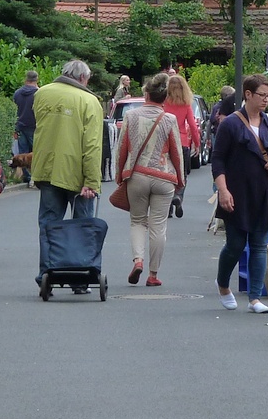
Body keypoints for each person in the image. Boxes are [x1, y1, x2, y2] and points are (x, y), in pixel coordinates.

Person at [212, 73, 268, 313]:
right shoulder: (230, 124)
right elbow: (218, 160)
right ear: (248, 94)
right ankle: (223, 284)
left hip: (264, 193)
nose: (266, 99)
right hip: (236, 193)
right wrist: (223, 190)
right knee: (235, 245)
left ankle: (255, 297)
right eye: (262, 95)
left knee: (259, 245)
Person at [30, 59, 103, 285]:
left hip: (47, 169)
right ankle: (79, 278)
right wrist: (92, 181)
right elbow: (92, 145)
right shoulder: (89, 101)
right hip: (77, 174)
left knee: (49, 224)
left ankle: (46, 272)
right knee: (82, 225)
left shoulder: (41, 94)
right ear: (82, 78)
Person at [115, 73, 185, 286]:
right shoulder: (169, 119)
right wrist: (180, 179)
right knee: (158, 226)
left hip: (137, 175)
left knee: (138, 221)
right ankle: (153, 274)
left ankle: (138, 260)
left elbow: (122, 148)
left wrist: (120, 174)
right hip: (164, 177)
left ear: (146, 94)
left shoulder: (131, 116)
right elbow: (176, 152)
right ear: (165, 98)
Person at [163, 73, 203, 218]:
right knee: (182, 174)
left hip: (166, 142)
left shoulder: (164, 103)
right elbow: (192, 125)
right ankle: (178, 196)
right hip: (182, 142)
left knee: (167, 174)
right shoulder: (186, 105)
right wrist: (197, 144)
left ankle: (167, 207)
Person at [13, 69, 39, 185]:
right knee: (37, 153)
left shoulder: (17, 93)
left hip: (20, 126)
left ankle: (27, 177)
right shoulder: (38, 94)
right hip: (34, 127)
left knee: (22, 154)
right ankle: (36, 177)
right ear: (36, 79)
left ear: (26, 79)